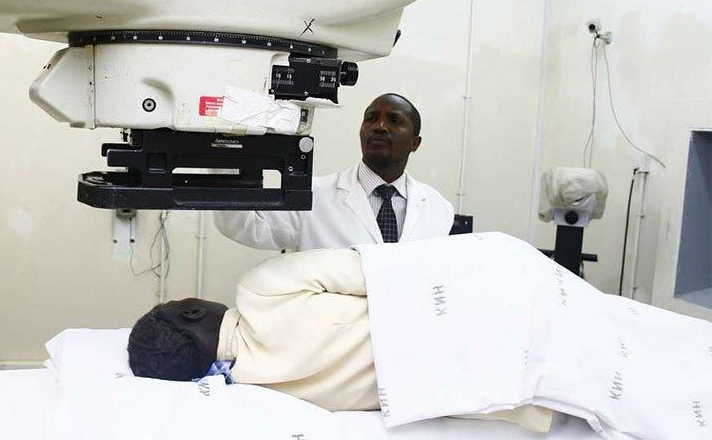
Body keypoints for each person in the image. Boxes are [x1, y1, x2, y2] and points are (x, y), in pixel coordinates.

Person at [128, 249, 553, 433]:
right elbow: (387, 269)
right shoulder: (258, 290)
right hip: (505, 322)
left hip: (503, 393)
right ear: (191, 312)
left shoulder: (255, 390)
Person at [213, 93, 454, 251]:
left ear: (415, 143)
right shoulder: (312, 196)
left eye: (394, 120)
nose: (380, 126)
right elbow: (245, 226)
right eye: (371, 119)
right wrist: (226, 151)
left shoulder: (438, 208)